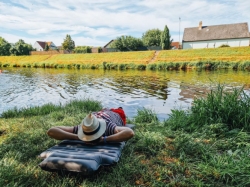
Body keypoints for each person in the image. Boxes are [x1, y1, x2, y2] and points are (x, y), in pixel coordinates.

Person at [47, 107, 134, 144]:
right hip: (97, 115)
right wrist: (78, 137)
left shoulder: (108, 127)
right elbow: (51, 131)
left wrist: (103, 139)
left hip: (113, 114)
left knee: (119, 110)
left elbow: (129, 132)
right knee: (103, 110)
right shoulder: (84, 127)